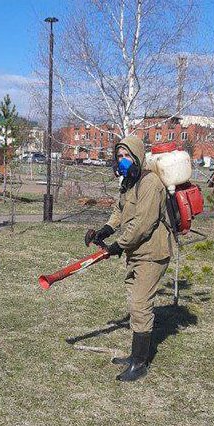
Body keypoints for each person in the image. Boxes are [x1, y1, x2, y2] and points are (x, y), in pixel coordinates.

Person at [85, 136, 171, 382]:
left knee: (140, 304)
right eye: (119, 156)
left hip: (153, 254)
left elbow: (143, 225)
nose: (122, 161)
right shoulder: (129, 182)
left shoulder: (151, 183)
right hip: (136, 252)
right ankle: (135, 355)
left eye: (126, 156)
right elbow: (120, 211)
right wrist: (105, 230)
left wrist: (117, 246)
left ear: (137, 157)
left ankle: (140, 363)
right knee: (134, 301)